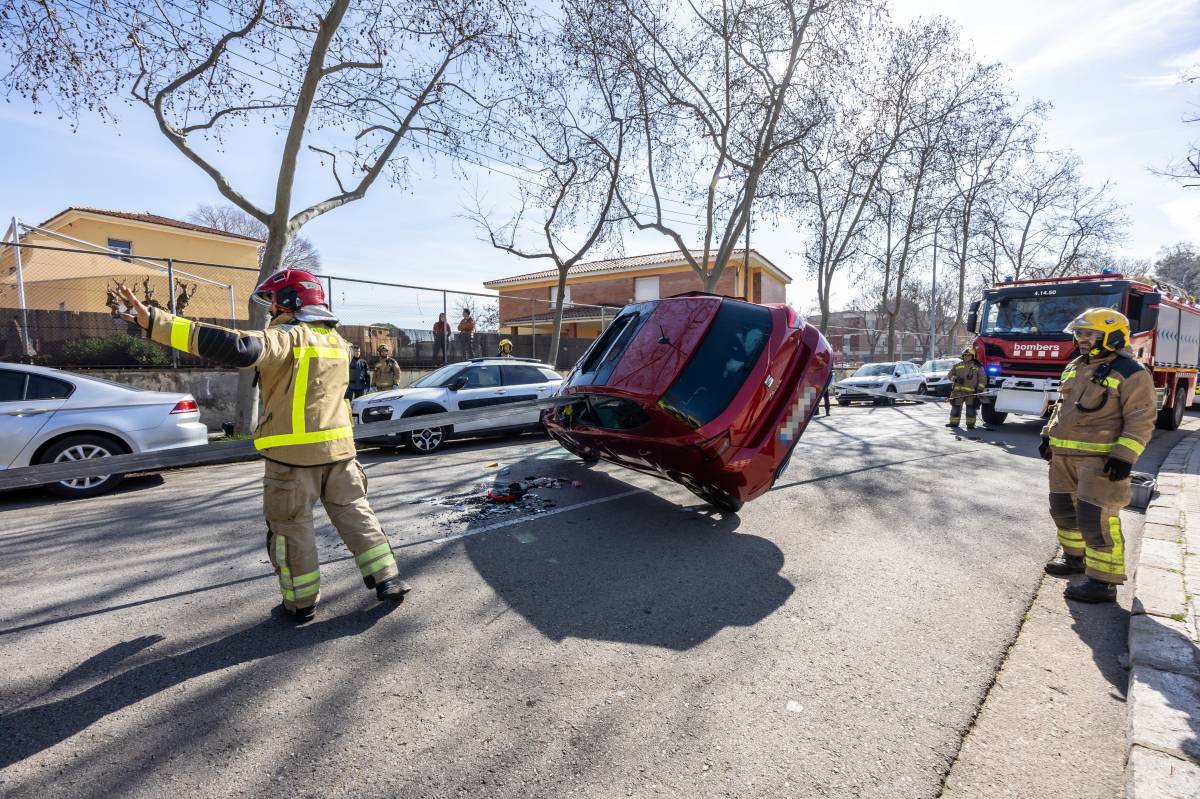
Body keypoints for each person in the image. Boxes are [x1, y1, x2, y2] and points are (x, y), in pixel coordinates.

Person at [114, 270, 411, 622]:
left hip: (291, 459)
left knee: (292, 529)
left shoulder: (287, 337)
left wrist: (158, 323)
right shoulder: (338, 343)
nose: (270, 309)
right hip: (341, 453)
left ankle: (301, 603)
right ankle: (387, 578)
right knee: (357, 515)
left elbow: (238, 346)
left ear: (289, 301)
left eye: (273, 301)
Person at [1041, 308, 1155, 603]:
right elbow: (1062, 407)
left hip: (1100, 461)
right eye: (1079, 333)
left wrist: (1124, 456)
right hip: (1063, 457)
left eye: (1089, 334)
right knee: (1063, 510)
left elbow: (1141, 417)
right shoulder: (1075, 366)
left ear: (1112, 336)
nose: (1082, 339)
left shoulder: (1131, 372)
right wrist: (1047, 435)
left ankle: (1103, 582)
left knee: (1097, 518)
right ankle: (1074, 559)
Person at [945, 346, 987, 429]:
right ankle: (953, 423)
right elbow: (949, 375)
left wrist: (980, 389)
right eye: (965, 355)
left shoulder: (978, 367)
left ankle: (970, 425)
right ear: (963, 356)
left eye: (969, 355)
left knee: (970, 410)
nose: (966, 357)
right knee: (955, 409)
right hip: (957, 392)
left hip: (971, 393)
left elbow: (983, 378)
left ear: (973, 357)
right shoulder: (957, 366)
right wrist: (955, 379)